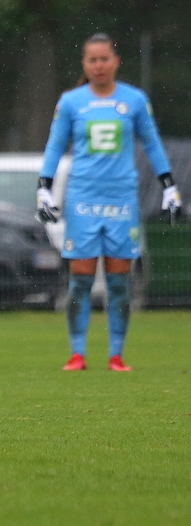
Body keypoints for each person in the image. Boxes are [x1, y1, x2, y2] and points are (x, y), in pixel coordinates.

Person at [37, 32, 181, 372]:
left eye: (104, 59)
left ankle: (116, 355)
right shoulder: (72, 101)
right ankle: (77, 354)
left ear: (116, 61)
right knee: (81, 279)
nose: (99, 65)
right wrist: (44, 186)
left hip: (122, 199)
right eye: (92, 60)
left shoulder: (133, 100)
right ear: (84, 64)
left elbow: (153, 144)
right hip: (83, 198)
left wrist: (169, 186)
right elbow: (55, 146)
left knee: (119, 281)